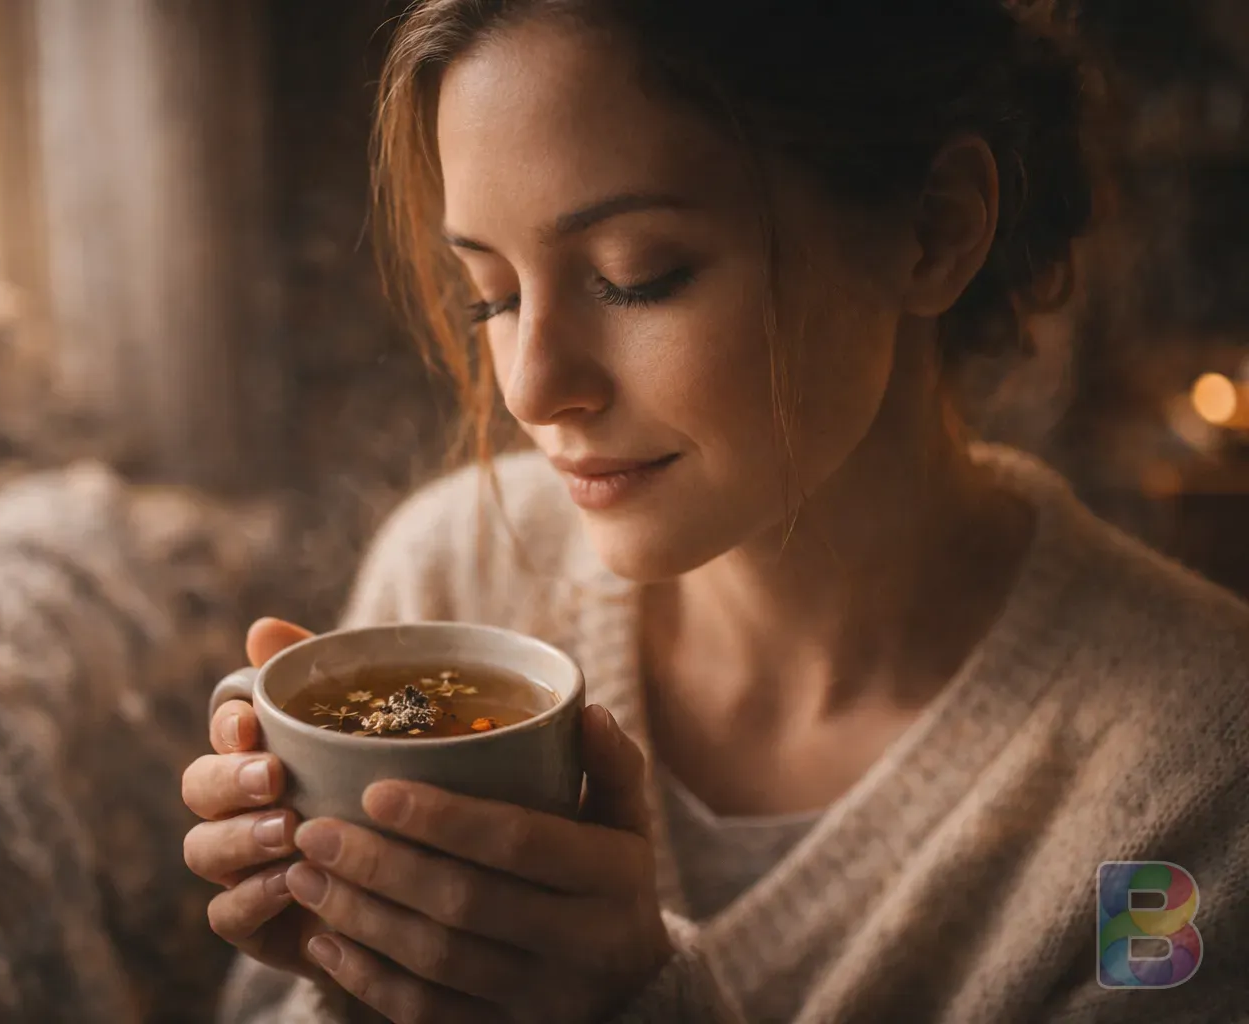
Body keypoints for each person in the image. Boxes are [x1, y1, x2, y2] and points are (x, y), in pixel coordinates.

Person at [181, 1, 1249, 1021]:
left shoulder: (1193, 777)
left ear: (932, 229)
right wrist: (352, 969)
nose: (532, 388)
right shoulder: (454, 582)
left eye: (637, 275)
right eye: (493, 296)